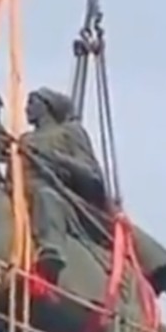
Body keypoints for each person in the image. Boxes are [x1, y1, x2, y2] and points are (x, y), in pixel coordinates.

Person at [18, 88, 110, 283]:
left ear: (47, 106)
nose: (26, 108)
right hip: (20, 191)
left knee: (46, 197)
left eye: (32, 103)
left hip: (57, 196)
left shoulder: (69, 133)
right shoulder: (24, 140)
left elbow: (92, 174)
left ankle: (52, 250)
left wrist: (56, 159)